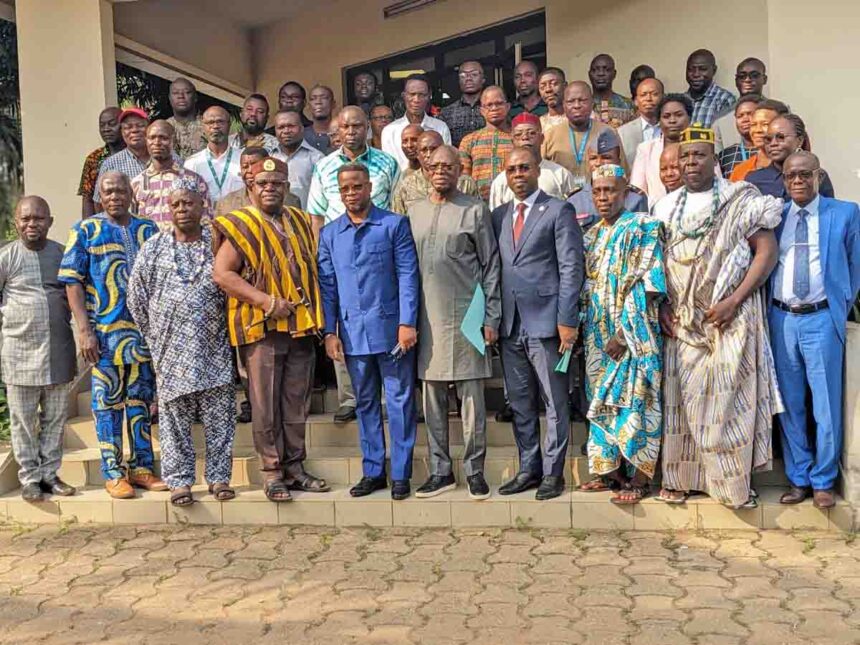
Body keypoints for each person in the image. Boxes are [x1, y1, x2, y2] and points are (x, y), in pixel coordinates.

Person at [652, 125, 783, 509]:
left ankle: (730, 484)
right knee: (683, 404)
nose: (691, 163)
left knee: (727, 405)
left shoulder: (740, 198)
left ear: (715, 160)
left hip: (729, 319)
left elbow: (766, 251)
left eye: (699, 156)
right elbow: (655, 264)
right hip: (682, 322)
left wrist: (734, 299)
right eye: (685, 157)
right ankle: (682, 479)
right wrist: (661, 306)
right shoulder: (664, 206)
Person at [213, 157, 328, 502]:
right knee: (264, 403)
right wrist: (265, 301)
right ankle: (271, 471)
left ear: (287, 187)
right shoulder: (241, 223)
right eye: (263, 184)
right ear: (251, 187)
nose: (269, 189)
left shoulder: (299, 220)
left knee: (296, 401)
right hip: (260, 327)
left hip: (300, 326)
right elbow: (222, 274)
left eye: (276, 183)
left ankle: (295, 467)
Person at [127, 178, 236, 507]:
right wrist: (158, 335)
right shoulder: (154, 247)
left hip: (214, 349)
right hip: (171, 353)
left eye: (188, 203)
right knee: (175, 422)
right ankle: (179, 482)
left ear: (202, 206)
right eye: (175, 204)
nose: (182, 209)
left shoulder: (217, 244)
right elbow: (136, 298)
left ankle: (218, 478)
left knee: (220, 418)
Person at [59, 171, 166, 499]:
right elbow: (71, 281)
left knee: (140, 401)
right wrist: (84, 330)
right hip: (103, 336)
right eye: (108, 192)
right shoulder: (86, 230)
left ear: (131, 194)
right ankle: (113, 471)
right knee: (107, 403)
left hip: (143, 335)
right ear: (99, 197)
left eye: (121, 190)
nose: (115, 196)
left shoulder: (148, 230)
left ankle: (143, 468)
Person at [318, 162, 420, 500]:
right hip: (352, 333)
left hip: (392, 331)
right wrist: (329, 332)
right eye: (345, 188)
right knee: (365, 403)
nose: (351, 194)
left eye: (357, 187)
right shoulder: (330, 233)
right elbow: (328, 285)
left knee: (399, 401)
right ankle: (373, 469)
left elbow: (408, 275)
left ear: (369, 186)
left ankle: (402, 473)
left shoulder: (393, 225)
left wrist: (408, 322)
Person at [406, 145, 501, 500]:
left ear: (460, 170)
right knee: (432, 401)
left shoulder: (475, 210)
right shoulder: (413, 212)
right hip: (426, 320)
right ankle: (441, 471)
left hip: (467, 316)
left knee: (472, 401)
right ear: (426, 169)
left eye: (450, 166)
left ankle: (475, 471)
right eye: (436, 165)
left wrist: (491, 315)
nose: (442, 171)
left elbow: (491, 266)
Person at [491, 147, 584, 500]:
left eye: (524, 168)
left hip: (547, 324)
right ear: (505, 173)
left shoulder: (559, 210)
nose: (518, 174)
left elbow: (571, 268)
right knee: (520, 402)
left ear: (537, 170)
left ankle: (552, 472)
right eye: (512, 169)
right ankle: (528, 468)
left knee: (554, 401)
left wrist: (566, 320)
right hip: (510, 325)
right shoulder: (498, 215)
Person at [769, 151, 860, 509]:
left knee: (824, 404)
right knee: (790, 404)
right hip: (782, 318)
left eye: (805, 175)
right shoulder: (775, 216)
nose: (798, 182)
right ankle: (799, 478)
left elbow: (855, 266)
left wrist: (837, 303)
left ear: (818, 176)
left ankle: (823, 481)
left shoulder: (844, 212)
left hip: (821, 318)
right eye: (791, 176)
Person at [579, 165, 666, 504]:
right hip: (596, 336)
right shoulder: (590, 236)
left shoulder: (644, 226)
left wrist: (624, 333)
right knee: (601, 402)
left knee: (637, 399)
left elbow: (650, 282)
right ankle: (609, 473)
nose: (603, 197)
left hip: (634, 334)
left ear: (626, 192)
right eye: (598, 191)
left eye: (610, 190)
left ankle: (640, 478)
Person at [0, 196, 77, 501]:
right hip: (18, 353)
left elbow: (76, 294)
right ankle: (30, 477)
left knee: (55, 419)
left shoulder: (62, 254)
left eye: (39, 219)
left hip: (57, 350)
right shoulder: (6, 258)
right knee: (23, 421)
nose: (32, 224)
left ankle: (50, 475)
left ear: (50, 221)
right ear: (16, 223)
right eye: (25, 219)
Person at [130, 120, 212, 232]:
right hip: (149, 247)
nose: (157, 142)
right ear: (146, 141)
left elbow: (206, 222)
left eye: (163, 138)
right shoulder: (136, 183)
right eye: (152, 138)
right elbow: (131, 224)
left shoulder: (193, 180)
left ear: (173, 141)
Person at [94, 108, 181, 206]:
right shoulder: (110, 165)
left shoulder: (173, 159)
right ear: (122, 132)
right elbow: (99, 202)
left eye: (140, 126)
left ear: (149, 129)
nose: (134, 130)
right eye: (128, 127)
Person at [488, 112, 575, 210]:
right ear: (512, 141)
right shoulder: (501, 181)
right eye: (518, 134)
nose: (525, 137)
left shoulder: (561, 174)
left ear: (542, 138)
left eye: (531, 133)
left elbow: (572, 211)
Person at [543, 81, 622, 188]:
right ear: (564, 105)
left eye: (582, 101)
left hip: (599, 196)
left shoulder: (608, 132)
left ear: (592, 103)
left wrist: (598, 176)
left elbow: (620, 171)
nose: (577, 106)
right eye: (571, 101)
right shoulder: (550, 135)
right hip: (561, 199)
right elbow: (542, 173)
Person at [567, 130, 648, 228]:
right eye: (593, 158)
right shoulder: (575, 200)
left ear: (618, 161)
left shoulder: (635, 199)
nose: (599, 163)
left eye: (606, 157)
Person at [747, 114, 835, 200]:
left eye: (781, 137)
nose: (773, 143)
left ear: (799, 140)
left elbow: (829, 210)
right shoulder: (754, 179)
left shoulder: (815, 175)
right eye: (768, 139)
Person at [390, 130, 480, 214]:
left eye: (434, 149)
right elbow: (399, 221)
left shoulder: (464, 183)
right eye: (424, 150)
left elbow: (477, 215)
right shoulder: (406, 185)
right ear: (417, 154)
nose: (429, 155)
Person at [630, 93, 693, 206]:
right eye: (666, 116)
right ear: (659, 120)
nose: (672, 120)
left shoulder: (701, 147)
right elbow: (637, 191)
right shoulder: (646, 149)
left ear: (689, 117)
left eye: (679, 115)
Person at [381, 74, 451, 170]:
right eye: (412, 94)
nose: (416, 100)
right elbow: (388, 168)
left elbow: (446, 161)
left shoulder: (440, 127)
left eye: (421, 95)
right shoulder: (390, 131)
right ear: (404, 95)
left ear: (429, 96)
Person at [459, 86, 514, 201]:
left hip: (511, 203)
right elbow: (464, 180)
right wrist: (477, 193)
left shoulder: (517, 138)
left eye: (499, 103)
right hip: (477, 204)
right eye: (489, 105)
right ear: (482, 110)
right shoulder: (469, 141)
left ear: (508, 107)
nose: (494, 108)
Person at [184, 106, 245, 205]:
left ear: (229, 125)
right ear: (203, 127)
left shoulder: (242, 159)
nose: (215, 126)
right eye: (210, 123)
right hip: (206, 219)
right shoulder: (192, 163)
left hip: (237, 218)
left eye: (220, 122)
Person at [216, 146, 301, 217]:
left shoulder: (291, 201)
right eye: (245, 167)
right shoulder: (226, 204)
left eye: (255, 165)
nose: (249, 170)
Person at [272, 110, 325, 209]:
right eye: (281, 127)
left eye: (291, 126)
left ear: (301, 128)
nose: (286, 131)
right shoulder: (269, 157)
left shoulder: (317, 159)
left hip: (306, 221)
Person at [712, 58, 768, 150]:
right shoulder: (721, 119)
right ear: (736, 81)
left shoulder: (778, 111)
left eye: (754, 75)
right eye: (742, 76)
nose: (747, 80)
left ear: (764, 79)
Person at [78, 107, 124, 219]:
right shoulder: (94, 159)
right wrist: (88, 228)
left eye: (112, 124)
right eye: (102, 125)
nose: (106, 129)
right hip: (105, 222)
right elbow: (87, 198)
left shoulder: (136, 154)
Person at [729, 98, 789, 182]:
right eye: (753, 124)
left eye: (765, 124)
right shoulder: (741, 171)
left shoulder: (797, 167)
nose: (757, 130)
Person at [440, 60, 486, 147]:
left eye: (474, 74)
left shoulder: (493, 109)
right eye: (463, 75)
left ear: (483, 79)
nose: (468, 78)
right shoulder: (446, 113)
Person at [684, 49, 735, 127]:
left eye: (703, 69)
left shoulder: (725, 99)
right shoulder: (680, 101)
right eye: (691, 69)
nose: (696, 74)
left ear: (714, 70)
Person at [618, 78, 664, 164]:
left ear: (663, 98)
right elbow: (617, 167)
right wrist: (625, 176)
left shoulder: (672, 128)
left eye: (654, 94)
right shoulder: (622, 133)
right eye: (643, 95)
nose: (648, 98)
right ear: (635, 101)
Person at [716, 94, 761, 177]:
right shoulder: (725, 155)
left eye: (750, 114)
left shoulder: (770, 150)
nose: (745, 119)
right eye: (740, 116)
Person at [589, 54, 635, 128]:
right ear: (589, 74)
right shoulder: (582, 105)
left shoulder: (628, 105)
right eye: (595, 70)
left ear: (614, 74)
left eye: (606, 70)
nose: (601, 74)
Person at [166, 77, 205, 159]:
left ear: (195, 97)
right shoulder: (164, 127)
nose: (181, 96)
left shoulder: (208, 125)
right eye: (176, 93)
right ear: (169, 98)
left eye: (187, 92)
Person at [304, 84, 337, 154]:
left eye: (324, 98)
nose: (318, 102)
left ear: (333, 104)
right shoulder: (301, 136)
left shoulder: (342, 134)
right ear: (308, 105)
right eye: (313, 99)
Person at [537, 67, 567, 131]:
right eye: (543, 86)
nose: (548, 89)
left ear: (565, 86)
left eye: (554, 84)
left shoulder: (579, 118)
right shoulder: (539, 124)